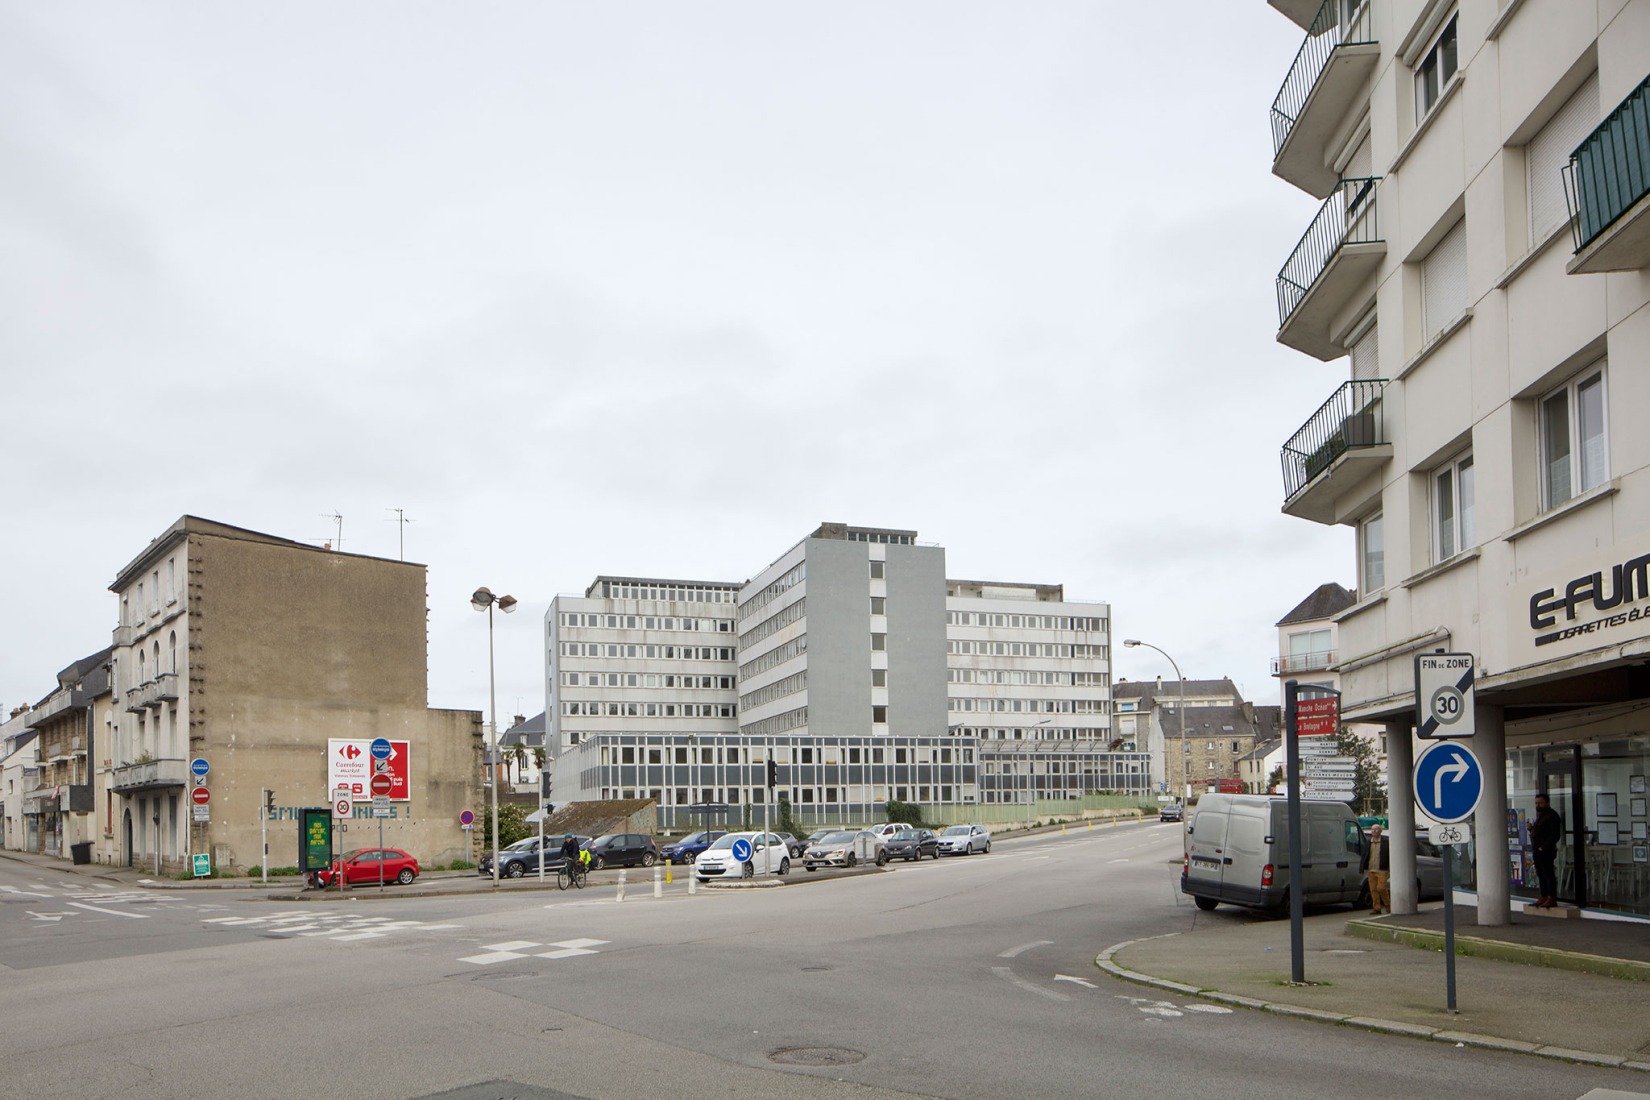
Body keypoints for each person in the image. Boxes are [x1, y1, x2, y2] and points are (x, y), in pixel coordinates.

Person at [1531, 792, 1562, 909]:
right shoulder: (1540, 816)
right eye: (1536, 803)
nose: (1538, 805)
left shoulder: (1552, 816)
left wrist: (1543, 847)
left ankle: (1551, 897)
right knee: (1541, 874)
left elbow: (1555, 835)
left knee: (1548, 873)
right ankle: (1543, 896)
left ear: (1547, 803)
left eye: (1541, 803)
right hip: (1537, 850)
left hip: (1546, 851)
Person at [1361, 823, 1390, 915]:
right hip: (1371, 869)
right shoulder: (1368, 842)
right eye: (1372, 830)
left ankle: (1387, 904)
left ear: (1380, 831)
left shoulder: (1385, 842)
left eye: (1376, 829)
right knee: (1373, 890)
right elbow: (1365, 855)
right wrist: (1362, 867)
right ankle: (1376, 908)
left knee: (1381, 888)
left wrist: (1389, 868)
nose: (1374, 831)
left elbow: (1389, 855)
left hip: (1382, 869)